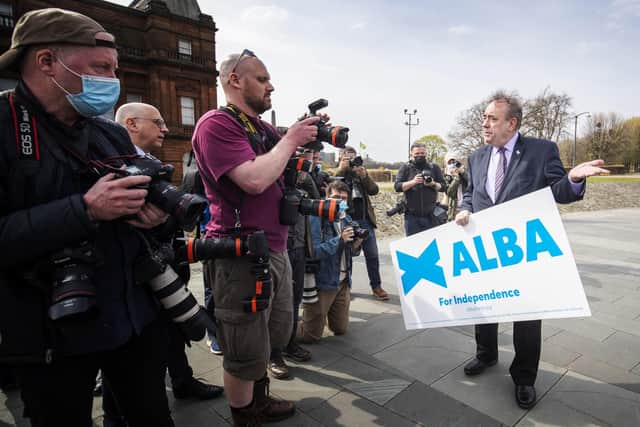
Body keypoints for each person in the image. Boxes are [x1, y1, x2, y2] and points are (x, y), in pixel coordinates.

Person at [0, 8, 174, 427]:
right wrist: (84, 210)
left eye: (113, 70)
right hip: (51, 333)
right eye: (100, 68)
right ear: (46, 62)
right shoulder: (3, 127)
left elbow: (147, 202)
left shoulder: (109, 131)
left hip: (131, 318)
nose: (111, 82)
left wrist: (155, 217)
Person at [455, 91, 609, 410]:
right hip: (486, 250)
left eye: (491, 118)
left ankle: (524, 378)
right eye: (483, 117)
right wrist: (464, 209)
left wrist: (574, 178)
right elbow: (470, 193)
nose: (484, 123)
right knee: (485, 305)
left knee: (526, 318)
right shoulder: (477, 156)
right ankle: (486, 354)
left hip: (525, 252)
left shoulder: (542, 151)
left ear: (511, 124)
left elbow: (560, 192)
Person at [192, 49, 320, 425]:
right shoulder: (216, 124)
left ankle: (258, 398)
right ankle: (244, 413)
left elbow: (281, 163)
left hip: (275, 247)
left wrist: (305, 133)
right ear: (235, 79)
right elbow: (253, 179)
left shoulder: (260, 129)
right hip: (240, 253)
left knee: (271, 335)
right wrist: (292, 138)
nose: (271, 86)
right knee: (243, 343)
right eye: (262, 79)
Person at [115, 103, 224, 398]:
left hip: (168, 265)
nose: (165, 128)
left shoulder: (153, 164)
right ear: (132, 124)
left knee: (176, 327)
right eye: (158, 122)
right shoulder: (113, 166)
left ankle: (183, 380)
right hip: (137, 275)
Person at [297, 181, 355, 342]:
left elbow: (353, 252)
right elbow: (313, 252)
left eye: (344, 198)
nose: (340, 202)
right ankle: (281, 327)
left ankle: (323, 315)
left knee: (340, 329)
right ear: (326, 197)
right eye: (336, 197)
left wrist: (357, 240)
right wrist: (340, 240)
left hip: (343, 281)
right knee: (310, 336)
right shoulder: (317, 218)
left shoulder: (345, 217)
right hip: (323, 281)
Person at [335, 146, 389, 301]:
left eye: (354, 158)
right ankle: (346, 288)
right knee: (347, 256)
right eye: (348, 158)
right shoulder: (338, 173)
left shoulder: (360, 174)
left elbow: (374, 190)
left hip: (365, 220)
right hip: (346, 220)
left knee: (372, 255)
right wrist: (341, 170)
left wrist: (364, 176)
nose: (352, 162)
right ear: (341, 159)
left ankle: (376, 286)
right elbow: (332, 188)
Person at [394, 142, 447, 236]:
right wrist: (413, 182)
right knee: (413, 247)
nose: (420, 156)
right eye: (417, 154)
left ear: (426, 153)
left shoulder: (434, 167)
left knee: (432, 245)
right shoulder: (405, 168)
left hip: (431, 215)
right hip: (411, 216)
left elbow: (443, 187)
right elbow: (397, 187)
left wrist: (433, 184)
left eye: (422, 153)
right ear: (411, 154)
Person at [442, 152, 468, 222]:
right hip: (454, 211)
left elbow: (472, 183)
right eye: (449, 163)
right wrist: (456, 178)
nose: (452, 164)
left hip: (466, 209)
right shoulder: (445, 178)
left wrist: (463, 173)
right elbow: (449, 192)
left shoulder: (464, 173)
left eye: (454, 162)